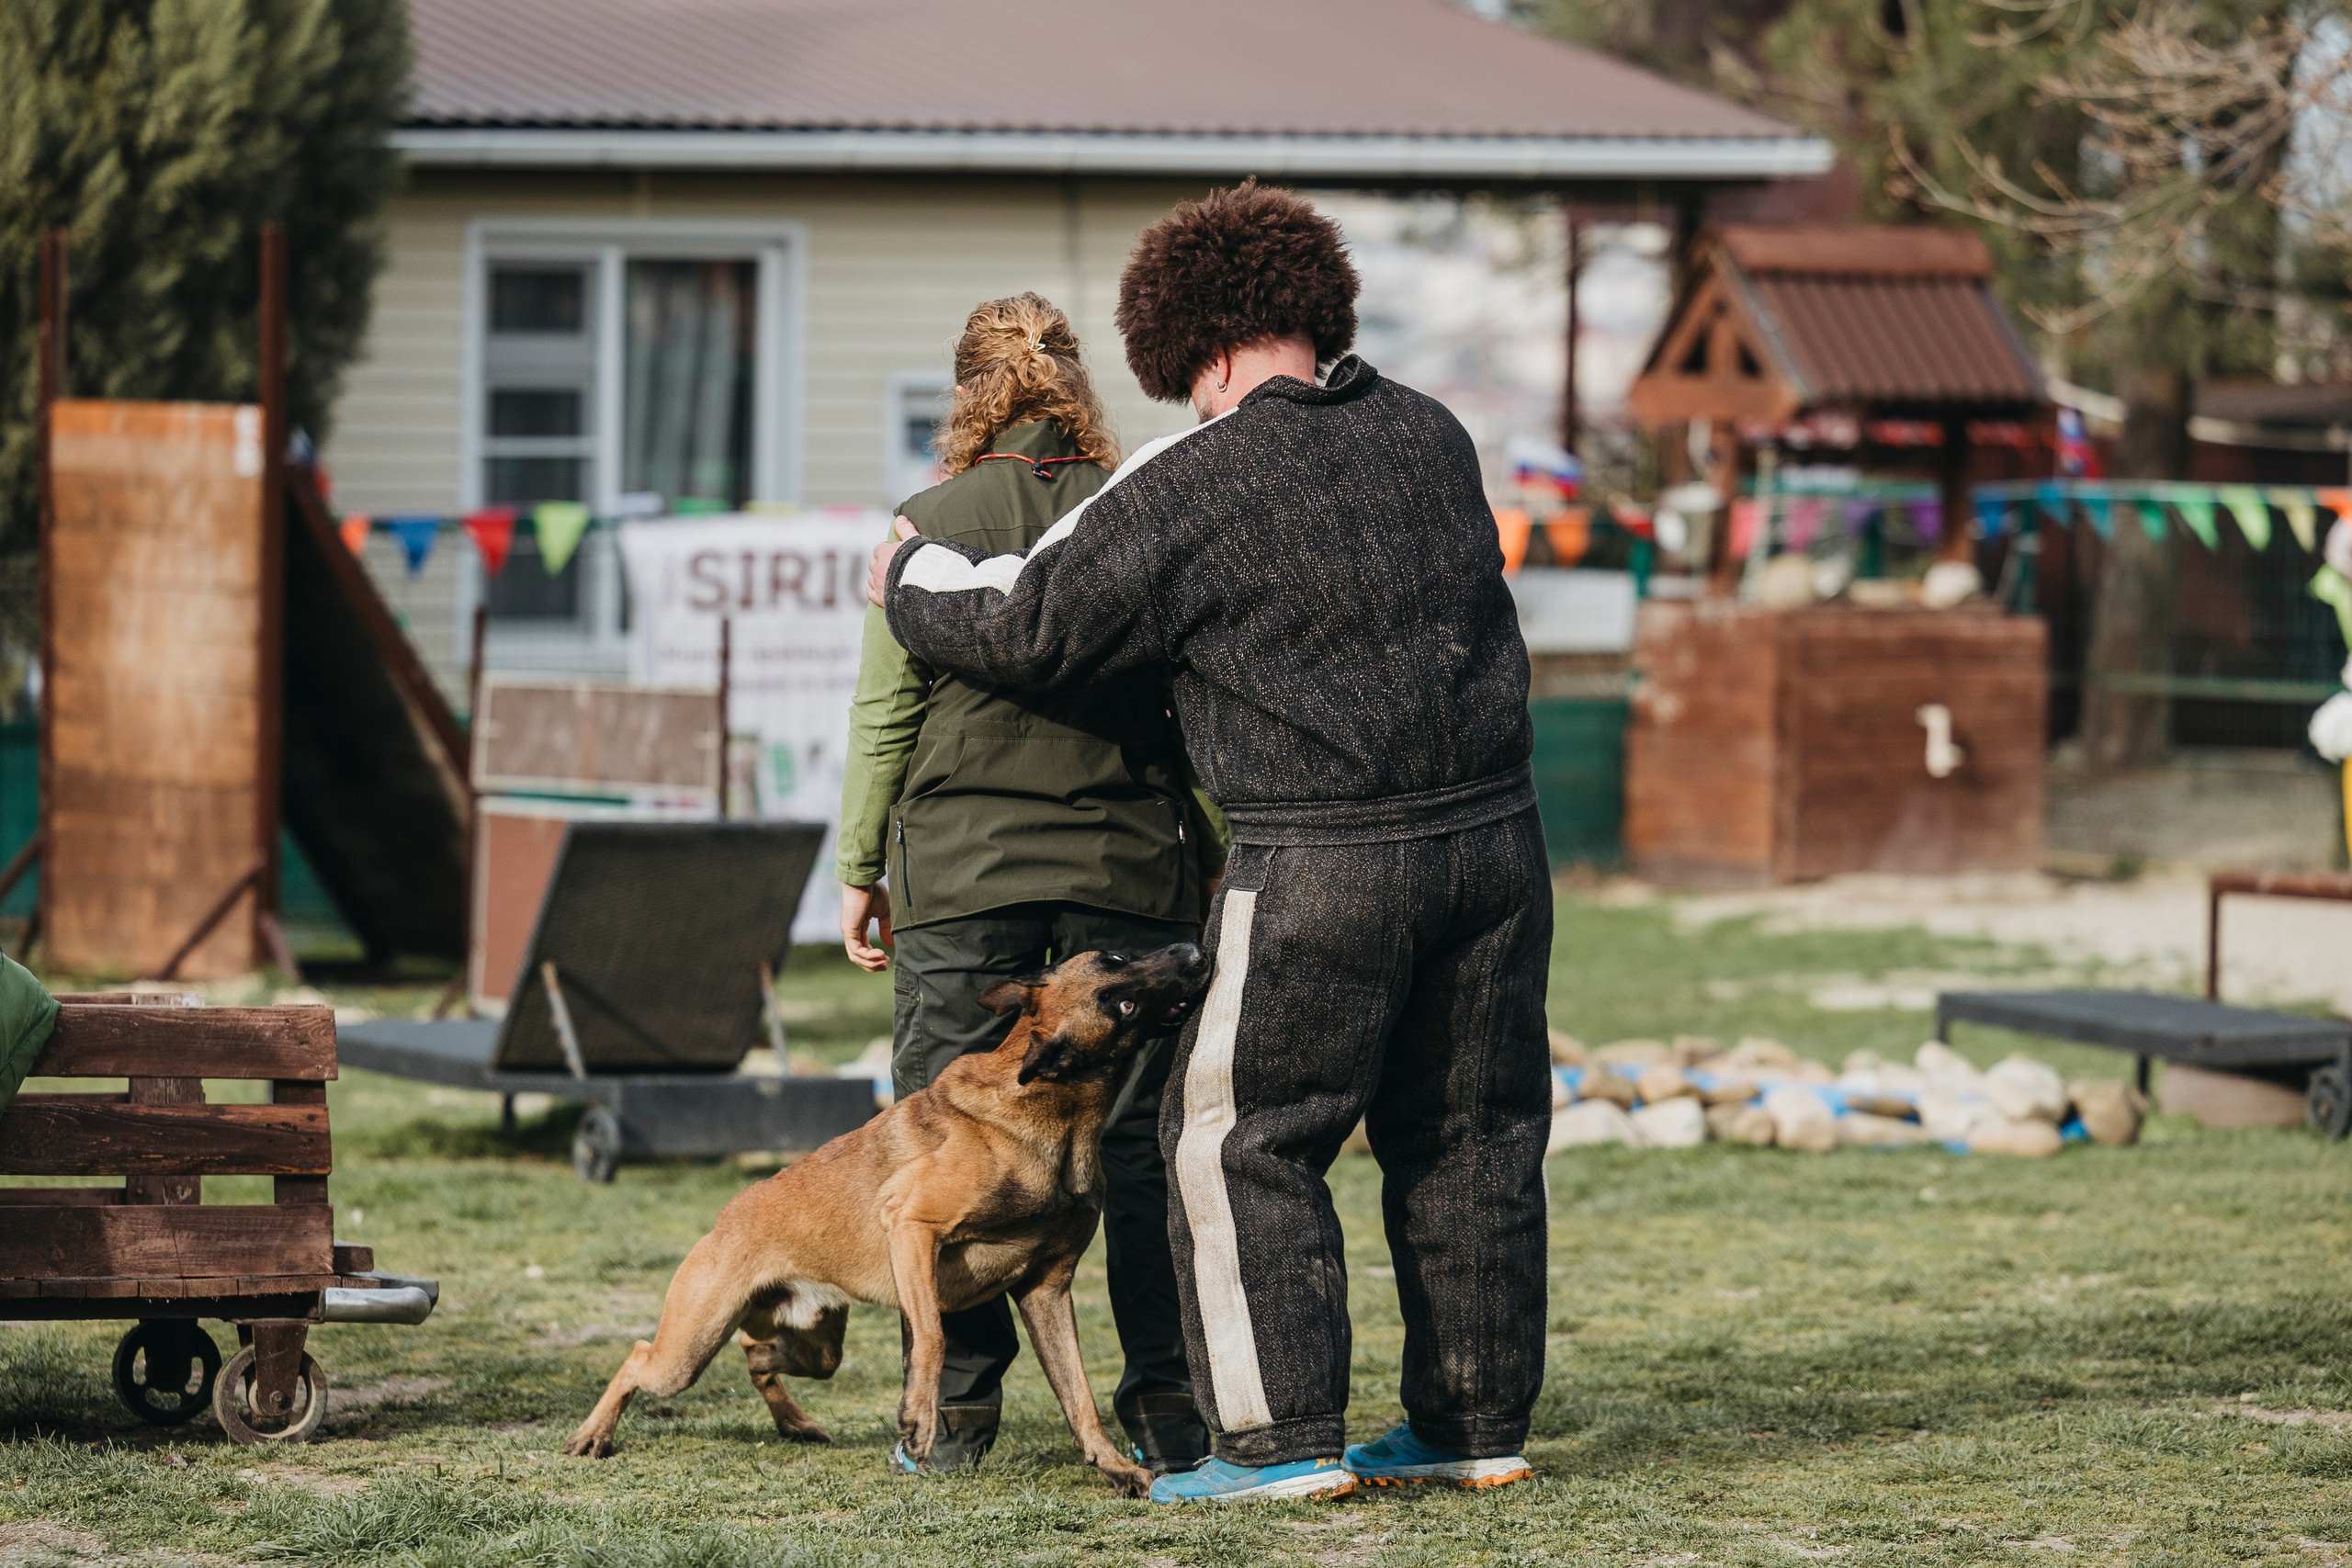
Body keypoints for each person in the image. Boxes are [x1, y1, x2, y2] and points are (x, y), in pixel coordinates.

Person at [869, 183, 1551, 1504]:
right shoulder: (1431, 431)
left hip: (1320, 860)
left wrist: (906, 573)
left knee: (1235, 1139)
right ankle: (1474, 1427)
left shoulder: (1200, 470)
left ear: (1196, 346)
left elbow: (1028, 624)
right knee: (1472, 1135)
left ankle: (1278, 1443)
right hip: (1498, 846)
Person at [835, 292, 1221, 1478]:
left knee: (942, 1144)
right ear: (1079, 390)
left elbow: (887, 710)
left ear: (967, 398)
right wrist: (1210, 839)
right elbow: (1190, 692)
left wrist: (859, 863)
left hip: (962, 875)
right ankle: (1169, 1406)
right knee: (1150, 1146)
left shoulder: (926, 525)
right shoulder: (1135, 511)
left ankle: (954, 1417)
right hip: (1125, 866)